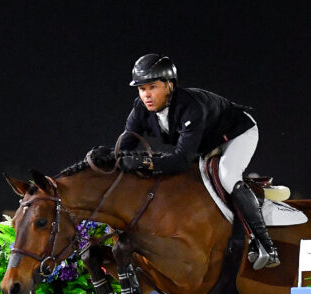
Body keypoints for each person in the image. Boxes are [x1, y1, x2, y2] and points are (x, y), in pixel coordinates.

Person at [118, 54, 280, 269]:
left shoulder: (190, 106)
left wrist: (144, 163)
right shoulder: (140, 108)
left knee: (227, 175)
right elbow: (126, 144)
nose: (146, 95)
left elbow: (181, 160)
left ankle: (266, 245)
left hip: (238, 133)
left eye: (152, 87)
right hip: (207, 141)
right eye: (141, 88)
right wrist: (111, 156)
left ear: (169, 86)